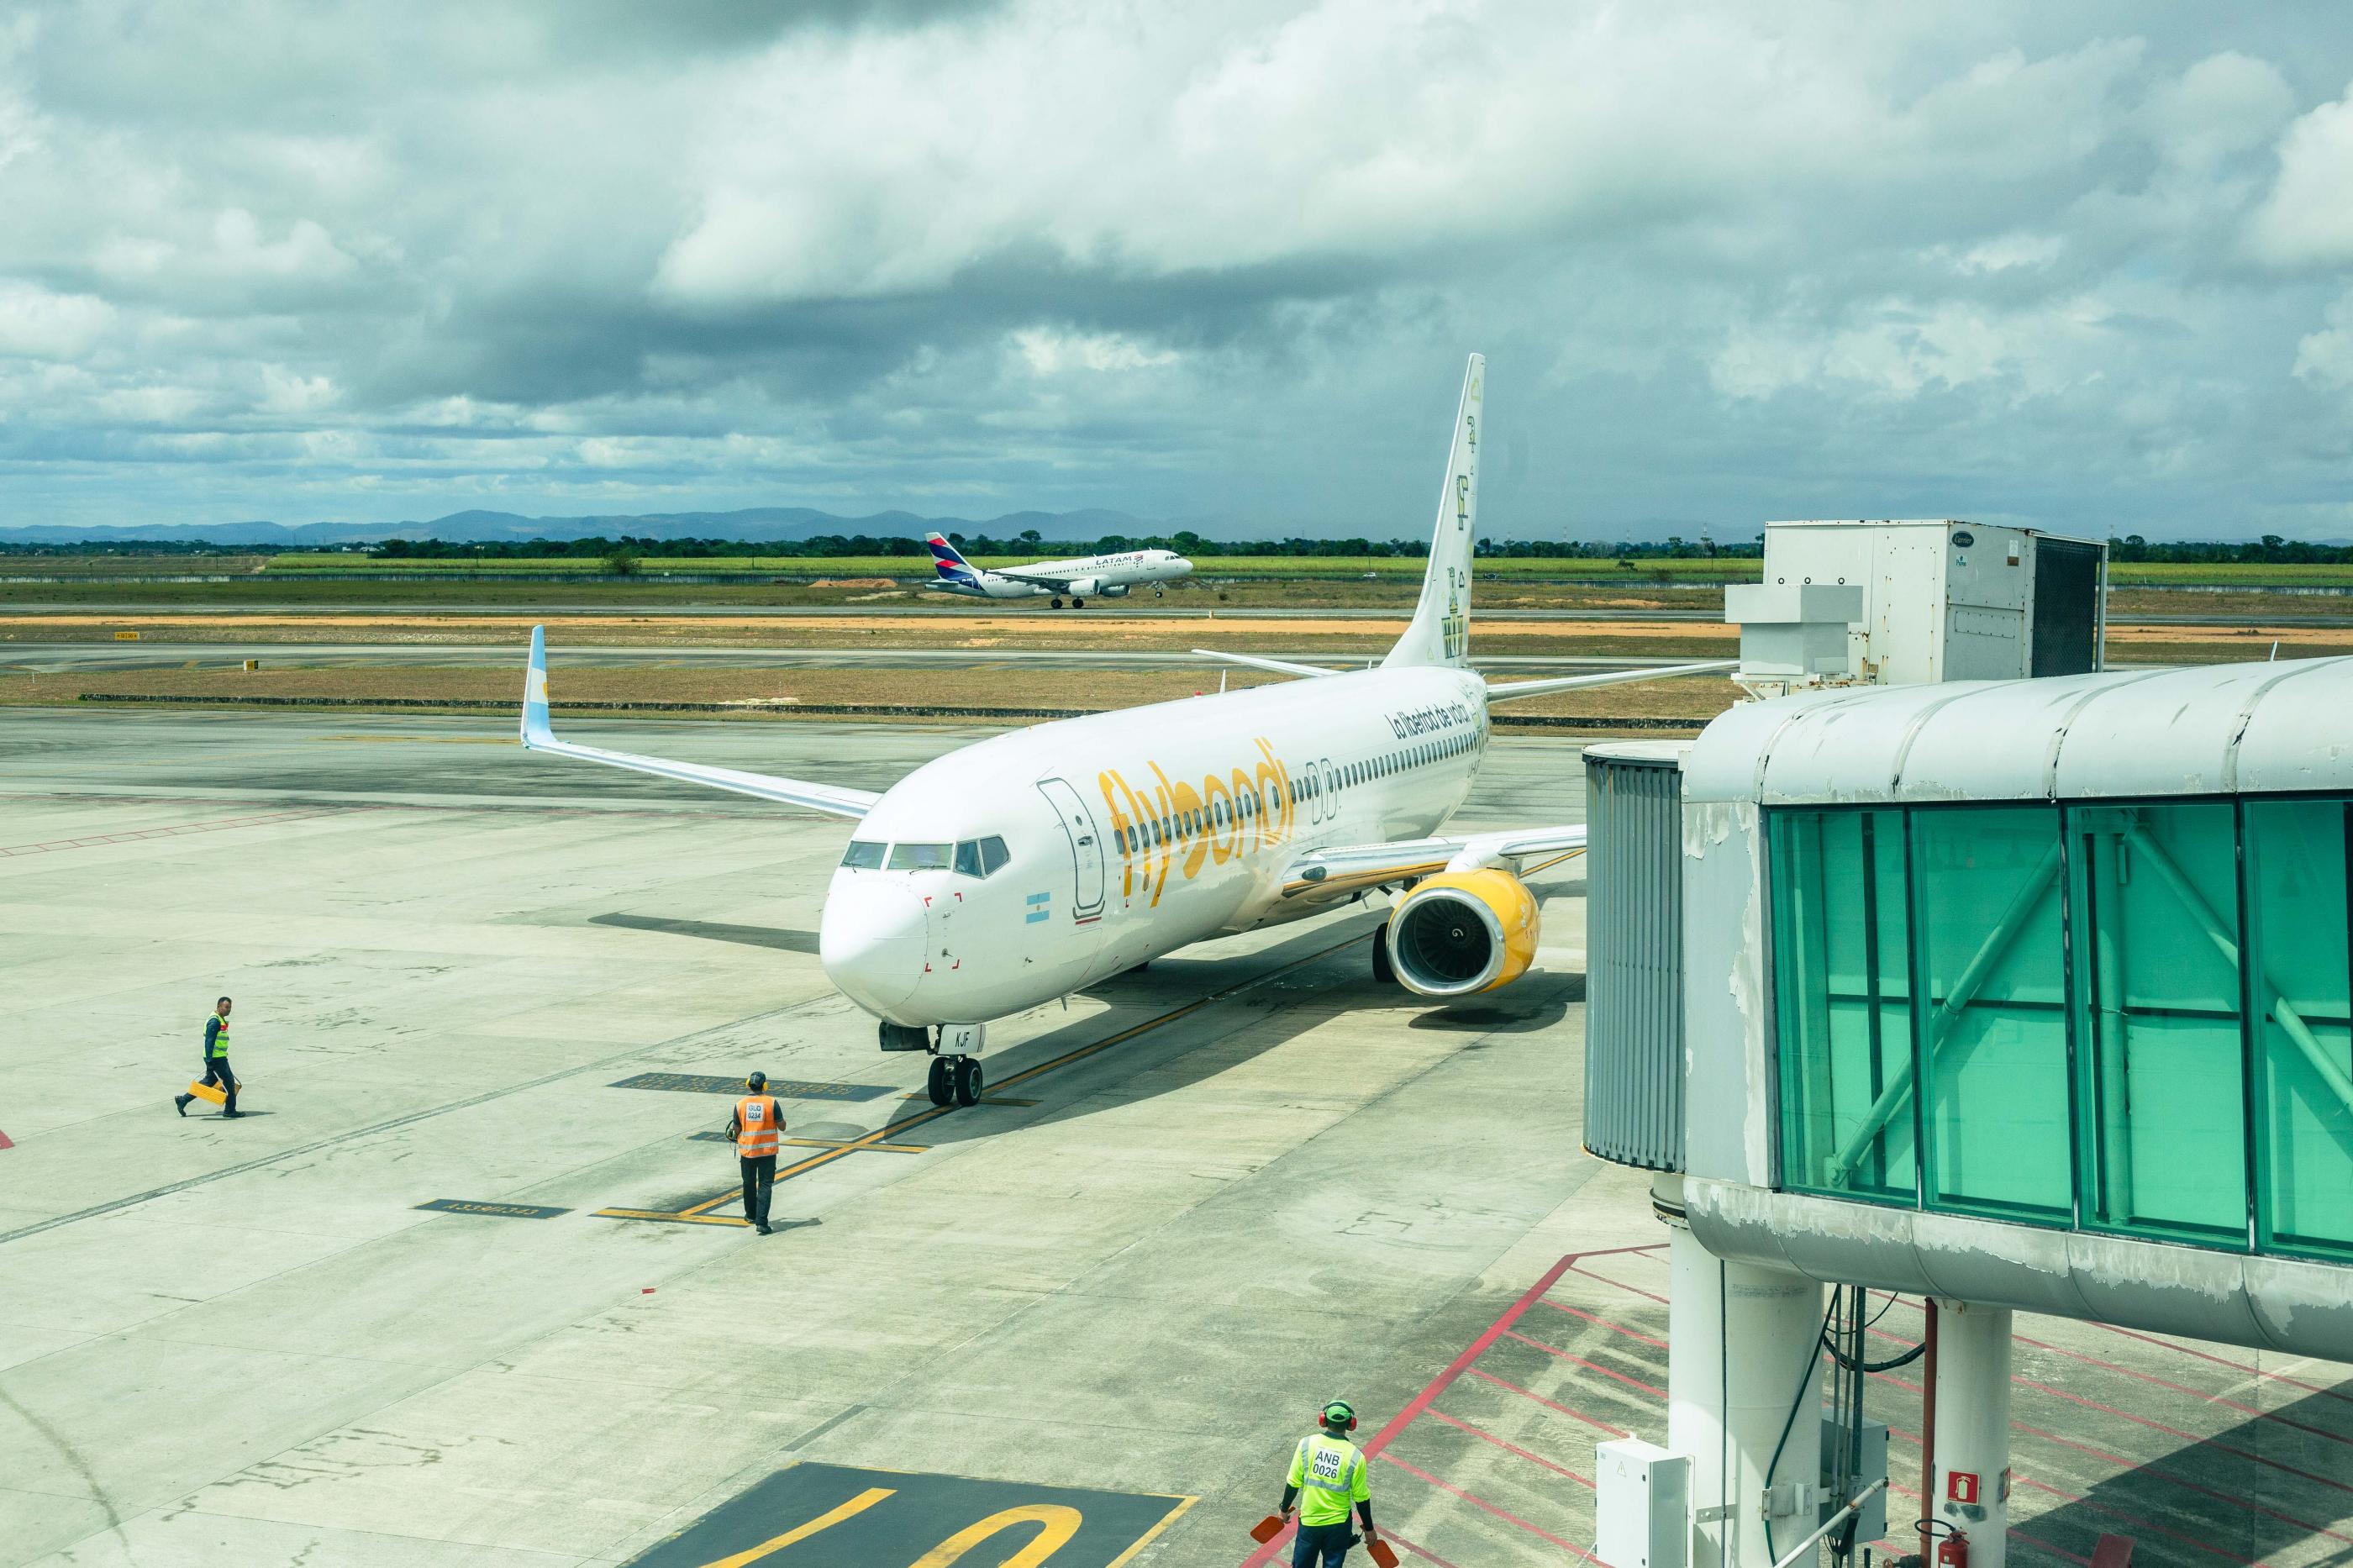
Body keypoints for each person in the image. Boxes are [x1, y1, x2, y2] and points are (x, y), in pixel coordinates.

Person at [1282, 1399, 1377, 1565]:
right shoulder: (1356, 1457)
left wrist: (1284, 1510)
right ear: (1351, 1424)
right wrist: (1369, 1529)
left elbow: (1293, 1482)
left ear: (1323, 1420)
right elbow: (1361, 1498)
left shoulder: (1306, 1444)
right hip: (1338, 1526)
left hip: (1310, 1522)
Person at [726, 1071, 784, 1234]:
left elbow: (736, 1129)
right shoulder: (771, 1103)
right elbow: (782, 1126)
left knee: (749, 1183)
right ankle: (762, 1222)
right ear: (765, 1086)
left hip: (748, 1151)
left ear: (748, 1085)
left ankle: (751, 1215)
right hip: (767, 1152)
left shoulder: (740, 1104)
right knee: (765, 1185)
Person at [176, 997, 240, 1118]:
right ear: (219, 1007)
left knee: (209, 1082)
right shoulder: (214, 1021)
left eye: (230, 1007)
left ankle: (183, 1100)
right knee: (229, 1083)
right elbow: (209, 1041)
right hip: (216, 1059)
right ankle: (230, 1111)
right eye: (226, 1007)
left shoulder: (219, 1019)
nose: (229, 1010)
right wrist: (210, 1060)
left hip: (218, 1057)